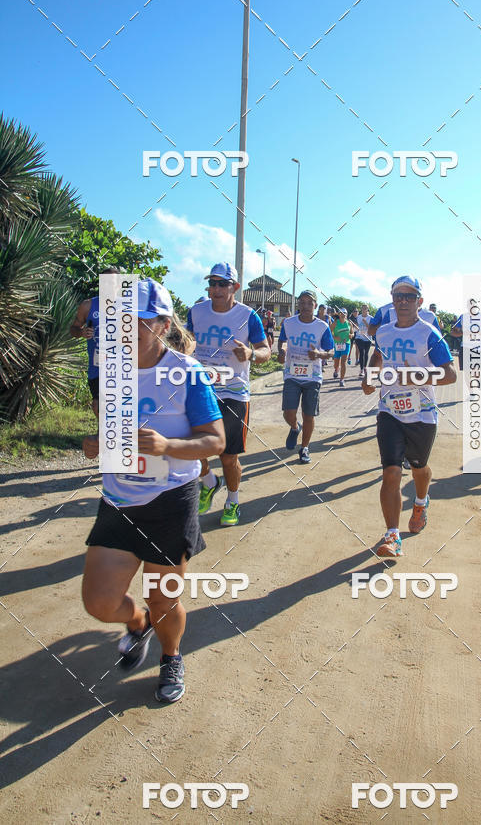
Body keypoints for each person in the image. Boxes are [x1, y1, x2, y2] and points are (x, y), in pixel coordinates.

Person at [82, 278, 226, 703]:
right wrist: (97, 444)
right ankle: (138, 624)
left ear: (162, 325)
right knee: (100, 603)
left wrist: (168, 446)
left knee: (165, 601)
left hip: (169, 501)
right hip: (119, 499)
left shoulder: (186, 372)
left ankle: (171, 655)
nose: (124, 330)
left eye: (136, 322)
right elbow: (113, 432)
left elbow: (215, 441)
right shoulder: (110, 368)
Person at [362, 276, 456, 557]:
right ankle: (392, 536)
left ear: (420, 302)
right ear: (392, 300)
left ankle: (421, 501)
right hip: (389, 410)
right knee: (390, 472)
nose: (403, 301)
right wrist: (369, 376)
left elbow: (450, 374)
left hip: (422, 414)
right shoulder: (384, 332)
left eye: (410, 296)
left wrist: (417, 375)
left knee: (419, 468)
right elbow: (377, 356)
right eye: (398, 296)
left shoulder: (429, 334)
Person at [188, 263, 271, 526]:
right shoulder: (196, 311)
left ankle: (232, 501)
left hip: (233, 393)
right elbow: (186, 343)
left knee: (227, 456)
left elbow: (265, 351)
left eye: (222, 284)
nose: (216, 289)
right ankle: (209, 482)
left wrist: (251, 354)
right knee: (190, 447)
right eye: (212, 283)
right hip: (200, 389)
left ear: (235, 287)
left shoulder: (248, 316)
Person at [278, 290, 334, 463]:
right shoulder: (288, 323)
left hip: (312, 376)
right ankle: (295, 427)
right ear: (298, 305)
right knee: (288, 413)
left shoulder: (322, 327)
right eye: (302, 302)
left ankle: (304, 448)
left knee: (308, 414)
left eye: (310, 303)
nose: (305, 306)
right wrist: (281, 350)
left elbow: (331, 351)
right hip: (292, 374)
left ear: (315, 306)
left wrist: (319, 354)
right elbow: (283, 341)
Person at [69, 266, 122, 417]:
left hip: (120, 363)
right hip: (97, 364)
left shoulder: (127, 307)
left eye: (111, 282)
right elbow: (73, 329)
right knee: (98, 402)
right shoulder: (88, 305)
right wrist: (81, 332)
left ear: (118, 285)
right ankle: (103, 430)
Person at [331, 308, 354, 386]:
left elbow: (352, 332)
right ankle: (336, 369)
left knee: (343, 361)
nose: (343, 314)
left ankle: (342, 379)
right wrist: (335, 337)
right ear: (339, 314)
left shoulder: (349, 323)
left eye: (344, 313)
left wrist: (351, 335)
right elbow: (329, 332)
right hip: (337, 344)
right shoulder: (335, 323)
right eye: (341, 313)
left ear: (346, 314)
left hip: (346, 343)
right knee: (336, 363)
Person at [355, 304, 373, 377]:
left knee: (366, 353)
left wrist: (365, 323)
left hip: (368, 338)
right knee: (361, 352)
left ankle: (365, 368)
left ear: (367, 310)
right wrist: (356, 328)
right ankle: (361, 369)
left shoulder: (371, 318)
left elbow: (371, 328)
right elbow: (356, 326)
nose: (364, 310)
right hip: (359, 337)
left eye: (365, 309)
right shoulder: (358, 317)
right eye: (362, 309)